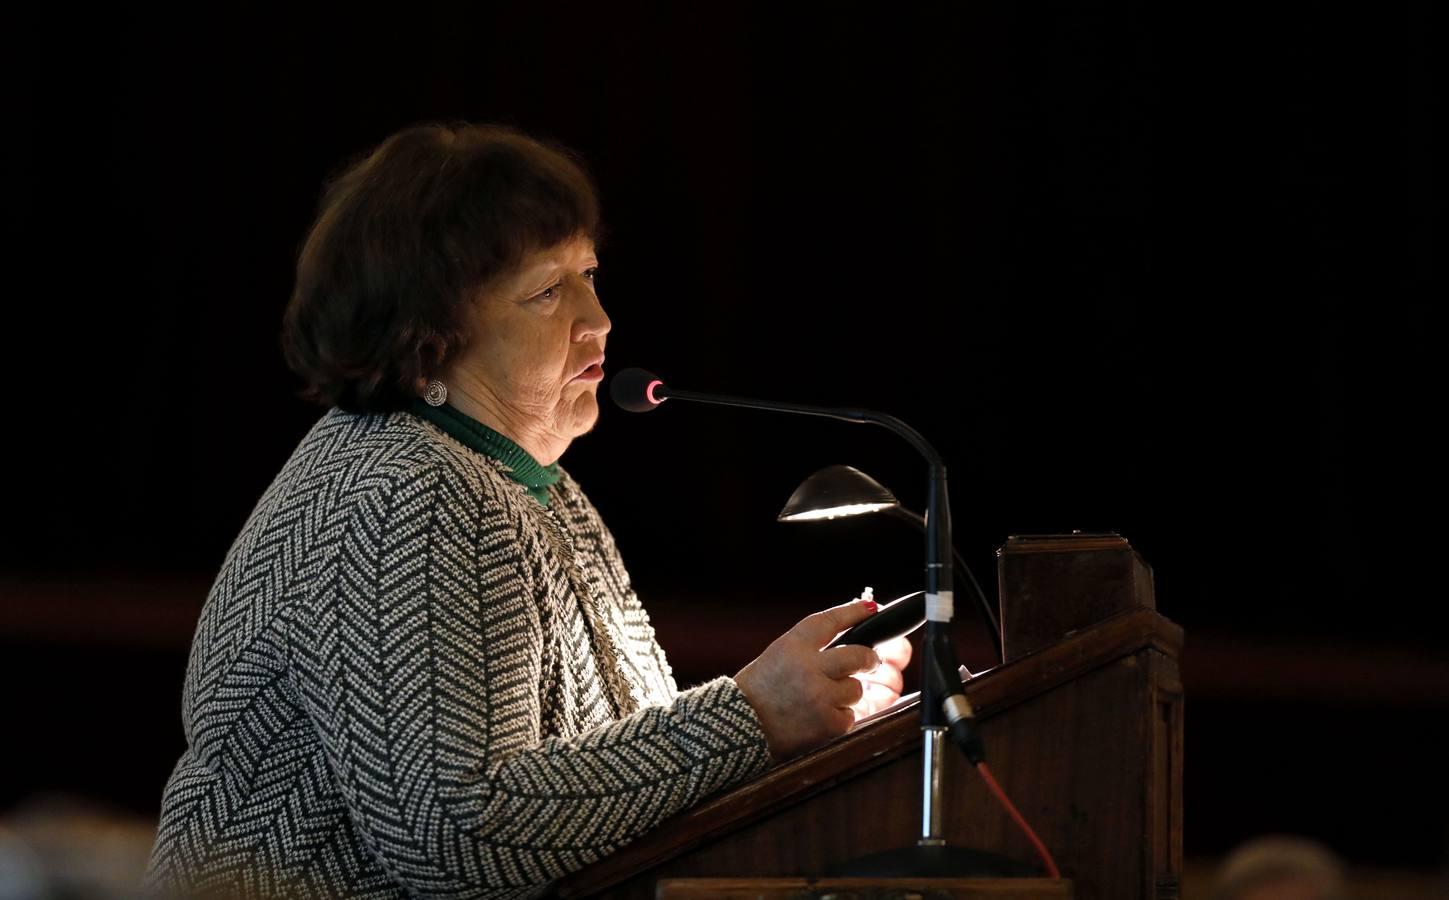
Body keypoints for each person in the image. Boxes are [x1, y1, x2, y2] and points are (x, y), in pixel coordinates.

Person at [143, 122, 911, 899]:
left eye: (588, 273)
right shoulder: (408, 493)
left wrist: (800, 710)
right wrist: (753, 717)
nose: (598, 319)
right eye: (547, 290)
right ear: (430, 338)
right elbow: (458, 839)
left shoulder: (517, 479)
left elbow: (600, 769)